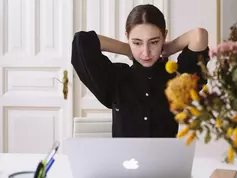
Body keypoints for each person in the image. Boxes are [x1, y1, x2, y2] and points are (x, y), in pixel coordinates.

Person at [71, 4, 210, 138]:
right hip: (124, 162)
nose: (146, 52)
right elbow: (81, 41)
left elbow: (199, 35)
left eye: (154, 42)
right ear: (127, 37)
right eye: (137, 42)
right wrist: (126, 49)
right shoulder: (116, 79)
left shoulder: (177, 80)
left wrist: (169, 47)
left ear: (164, 36)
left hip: (166, 162)